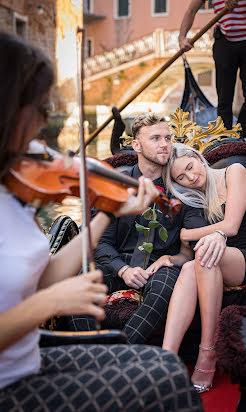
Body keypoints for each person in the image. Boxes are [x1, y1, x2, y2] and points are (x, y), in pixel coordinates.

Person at [0, 32, 204, 411]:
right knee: (168, 383)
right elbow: (51, 288)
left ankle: (118, 348)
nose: (46, 127)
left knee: (167, 365)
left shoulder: (16, 191)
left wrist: (109, 210)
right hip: (9, 384)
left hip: (25, 362)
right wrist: (48, 303)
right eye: (40, 110)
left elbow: (45, 275)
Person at [150, 143, 246, 393]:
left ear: (197, 157)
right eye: (181, 178)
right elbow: (188, 255)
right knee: (189, 268)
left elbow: (230, 227)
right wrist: (168, 260)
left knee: (206, 257)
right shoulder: (197, 198)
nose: (191, 177)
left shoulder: (234, 172)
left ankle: (207, 352)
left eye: (190, 167)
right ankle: (165, 361)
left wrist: (186, 233)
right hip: (223, 259)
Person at [94, 112, 225, 345]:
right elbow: (101, 242)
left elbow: (196, 236)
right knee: (84, 277)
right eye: (155, 138)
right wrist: (123, 269)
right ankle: (85, 348)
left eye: (167, 138)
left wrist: (215, 234)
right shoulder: (116, 185)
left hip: (160, 265)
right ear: (136, 145)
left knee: (165, 285)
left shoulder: (182, 190)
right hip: (119, 262)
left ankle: (117, 352)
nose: (164, 144)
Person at [179, 0, 246, 138]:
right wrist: (182, 37)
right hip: (224, 42)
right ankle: (225, 138)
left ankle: (239, 135)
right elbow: (191, 10)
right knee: (224, 98)